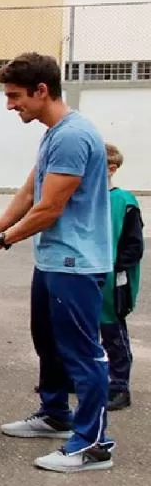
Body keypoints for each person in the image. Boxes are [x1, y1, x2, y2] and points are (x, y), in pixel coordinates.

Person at [0, 52, 114, 473]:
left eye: (15, 96)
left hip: (76, 262)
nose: (10, 105)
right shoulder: (54, 132)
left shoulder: (73, 136)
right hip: (55, 260)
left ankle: (93, 444)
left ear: (41, 91)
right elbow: (30, 189)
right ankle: (56, 414)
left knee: (82, 353)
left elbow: (49, 208)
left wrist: (2, 239)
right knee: (48, 342)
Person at [100, 143, 143, 411]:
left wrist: (117, 268)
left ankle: (119, 386)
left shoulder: (124, 201)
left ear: (111, 168)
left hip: (112, 280)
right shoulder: (84, 197)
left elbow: (134, 245)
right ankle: (79, 377)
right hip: (85, 275)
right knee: (81, 332)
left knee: (113, 332)